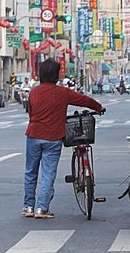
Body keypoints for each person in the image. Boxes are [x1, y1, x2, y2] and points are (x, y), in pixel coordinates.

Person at [22, 58, 105, 219]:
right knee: (48, 174)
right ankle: (41, 209)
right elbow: (84, 100)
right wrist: (99, 107)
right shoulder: (63, 92)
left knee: (30, 171)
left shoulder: (34, 92)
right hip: (53, 137)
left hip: (33, 134)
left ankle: (28, 207)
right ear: (56, 75)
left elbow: (30, 113)